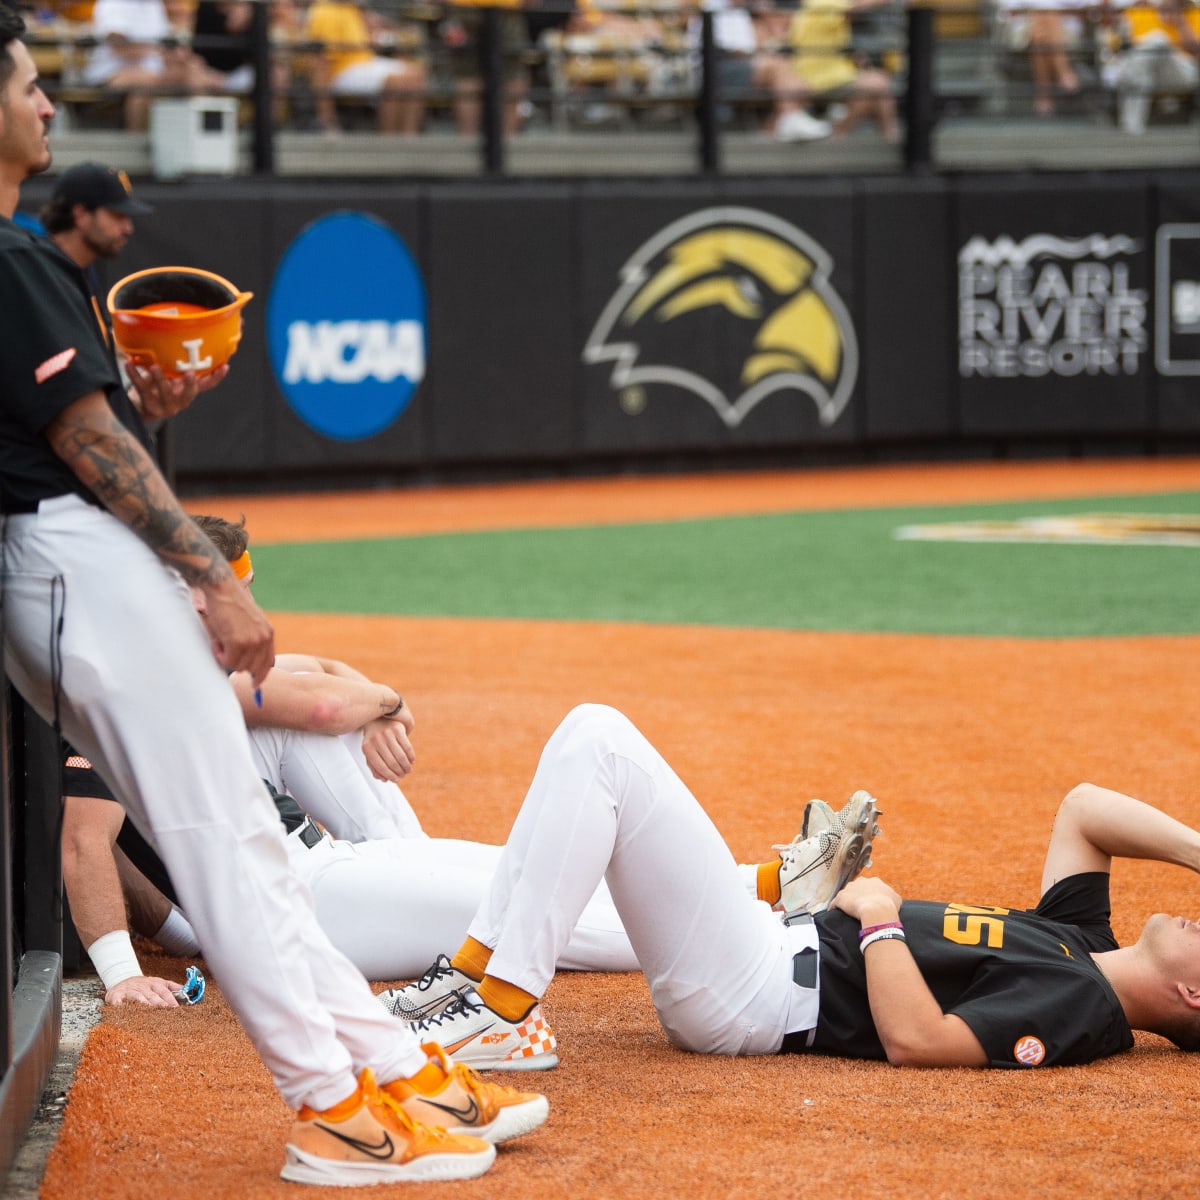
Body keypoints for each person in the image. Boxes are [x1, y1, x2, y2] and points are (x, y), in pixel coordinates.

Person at [0, 10, 545, 1182]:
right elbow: (81, 435)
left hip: (63, 558)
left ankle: (383, 1070)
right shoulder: (8, 255)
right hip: (62, 557)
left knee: (237, 840)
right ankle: (330, 1108)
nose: (47, 107)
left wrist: (145, 427)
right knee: (220, 843)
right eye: (30, 87)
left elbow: (86, 428)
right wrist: (210, 578)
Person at [384, 703, 1200, 1072]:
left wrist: (879, 922)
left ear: (1192, 994)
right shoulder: (1085, 944)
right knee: (587, 739)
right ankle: (475, 978)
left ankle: (505, 1011)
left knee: (603, 744)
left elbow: (928, 1043)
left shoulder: (1084, 1008)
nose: (1196, 920)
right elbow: (1085, 810)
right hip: (768, 945)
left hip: (762, 994)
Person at [692, 0, 832, 141]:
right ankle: (790, 118)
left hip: (741, 66)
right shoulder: (713, 6)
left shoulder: (740, 11)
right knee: (778, 67)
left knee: (799, 84)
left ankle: (770, 133)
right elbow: (733, 51)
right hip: (716, 71)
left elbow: (750, 48)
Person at [81, 0, 227, 130]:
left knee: (195, 70)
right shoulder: (113, 3)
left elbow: (163, 42)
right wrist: (158, 51)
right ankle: (135, 141)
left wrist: (180, 57)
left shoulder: (154, 4)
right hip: (110, 74)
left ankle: (201, 137)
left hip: (154, 71)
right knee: (146, 82)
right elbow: (120, 47)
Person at [302, 0, 427, 134]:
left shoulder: (350, 7)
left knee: (416, 73)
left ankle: (409, 138)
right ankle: (391, 142)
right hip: (341, 71)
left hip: (366, 60)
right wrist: (327, 118)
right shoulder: (324, 10)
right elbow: (321, 65)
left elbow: (372, 35)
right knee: (394, 81)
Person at [788, 0, 898, 140]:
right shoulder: (820, 3)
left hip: (838, 76)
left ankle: (890, 141)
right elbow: (856, 9)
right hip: (819, 79)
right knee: (876, 84)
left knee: (879, 87)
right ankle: (839, 134)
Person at [1100, 0, 1200, 132]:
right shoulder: (1140, 11)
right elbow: (1117, 47)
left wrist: (1178, 20)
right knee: (1142, 66)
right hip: (1144, 73)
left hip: (1181, 72)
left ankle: (1130, 131)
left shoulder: (1194, 12)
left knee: (1158, 40)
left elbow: (1196, 51)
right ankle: (1134, 131)